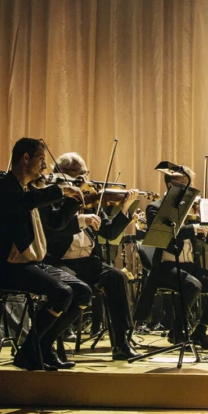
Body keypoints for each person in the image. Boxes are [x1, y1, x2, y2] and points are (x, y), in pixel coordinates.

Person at [0, 138, 88, 371]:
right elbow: (21, 205)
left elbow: (57, 222)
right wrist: (58, 190)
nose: (45, 167)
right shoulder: (2, 187)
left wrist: (72, 201)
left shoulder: (35, 191)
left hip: (31, 263)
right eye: (41, 159)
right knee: (61, 293)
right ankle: (29, 352)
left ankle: (42, 347)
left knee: (82, 292)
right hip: (7, 267)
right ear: (25, 158)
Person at [45, 152, 144, 361]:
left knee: (116, 276)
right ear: (64, 174)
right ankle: (50, 338)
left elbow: (109, 233)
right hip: (60, 261)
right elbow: (52, 230)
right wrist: (80, 217)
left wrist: (124, 208)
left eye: (85, 174)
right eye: (79, 175)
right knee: (73, 286)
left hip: (88, 262)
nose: (84, 180)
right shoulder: (50, 198)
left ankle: (121, 342)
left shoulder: (90, 199)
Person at [131, 167, 208, 350]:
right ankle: (177, 331)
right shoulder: (155, 208)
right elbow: (164, 234)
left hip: (188, 266)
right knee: (192, 285)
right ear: (172, 185)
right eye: (185, 185)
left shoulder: (189, 209)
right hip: (165, 267)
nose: (189, 190)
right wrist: (191, 228)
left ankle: (200, 331)